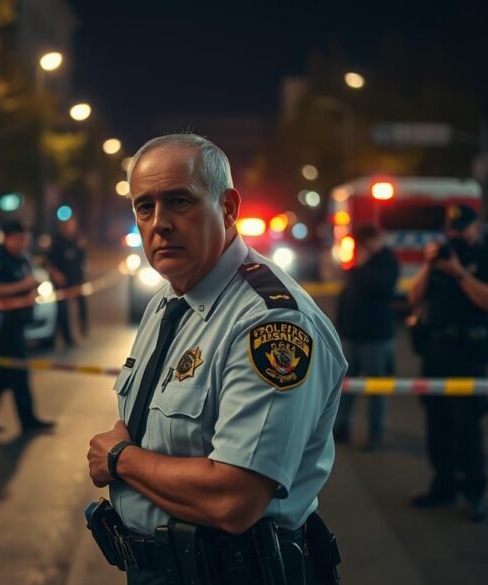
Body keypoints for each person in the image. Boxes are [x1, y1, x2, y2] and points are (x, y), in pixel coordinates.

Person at [85, 134, 346, 585]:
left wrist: (120, 459)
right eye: (144, 207)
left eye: (179, 202)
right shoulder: (168, 300)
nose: (159, 223)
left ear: (227, 209)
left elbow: (235, 499)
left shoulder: (272, 324)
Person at [407, 204, 488, 523]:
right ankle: (443, 485)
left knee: (467, 427)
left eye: (461, 228)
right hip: (437, 351)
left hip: (469, 353)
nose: (455, 234)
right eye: (451, 228)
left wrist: (460, 273)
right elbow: (413, 297)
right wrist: (429, 265)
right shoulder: (440, 260)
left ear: (476, 227)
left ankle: (474, 492)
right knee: (437, 424)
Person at [0, 220, 55, 433]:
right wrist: (23, 286)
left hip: (19, 324)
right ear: (8, 238)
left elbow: (29, 283)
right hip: (3, 327)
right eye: (19, 239)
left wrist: (32, 292)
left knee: (2, 373)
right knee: (19, 372)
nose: (23, 243)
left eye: (26, 239)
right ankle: (27, 420)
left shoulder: (22, 259)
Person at [333, 224, 399, 449]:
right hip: (352, 333)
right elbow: (347, 294)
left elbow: (378, 287)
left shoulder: (387, 261)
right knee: (346, 386)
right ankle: (341, 426)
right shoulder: (361, 263)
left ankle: (375, 432)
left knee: (375, 388)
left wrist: (359, 266)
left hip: (376, 337)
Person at [46, 217, 89, 346]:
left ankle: (84, 326)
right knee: (62, 311)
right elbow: (48, 261)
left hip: (76, 279)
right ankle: (65, 338)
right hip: (62, 283)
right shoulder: (57, 242)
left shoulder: (77, 240)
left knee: (82, 304)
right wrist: (56, 274)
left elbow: (83, 259)